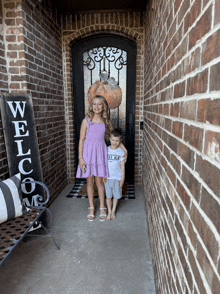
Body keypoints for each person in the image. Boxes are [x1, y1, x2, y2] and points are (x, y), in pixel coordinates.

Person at [76, 95, 127, 221]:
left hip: (100, 153)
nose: (97, 107)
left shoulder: (106, 121)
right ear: (91, 106)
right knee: (89, 181)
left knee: (99, 181)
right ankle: (91, 207)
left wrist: (124, 149)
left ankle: (103, 206)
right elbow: (81, 140)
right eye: (94, 104)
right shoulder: (86, 120)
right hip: (88, 153)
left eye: (99, 104)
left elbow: (113, 138)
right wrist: (80, 158)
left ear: (103, 106)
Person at [104, 129, 125, 220]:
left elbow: (122, 167)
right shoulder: (106, 150)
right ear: (109, 139)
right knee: (108, 196)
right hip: (108, 178)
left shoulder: (121, 152)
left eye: (117, 141)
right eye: (113, 140)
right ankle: (109, 211)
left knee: (116, 196)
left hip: (117, 178)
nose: (114, 142)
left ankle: (113, 211)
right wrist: (103, 175)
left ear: (120, 141)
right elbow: (103, 164)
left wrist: (122, 179)